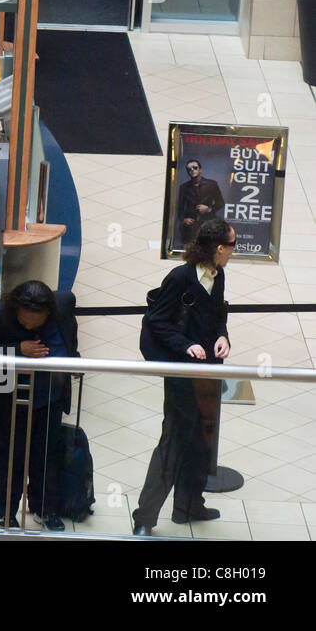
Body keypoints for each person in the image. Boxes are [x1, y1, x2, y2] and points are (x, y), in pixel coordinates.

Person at [133, 219, 234, 536]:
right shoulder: (179, 278)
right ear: (220, 248)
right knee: (173, 443)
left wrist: (222, 336)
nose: (234, 251)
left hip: (207, 371)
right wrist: (186, 344)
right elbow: (158, 321)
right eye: (232, 245)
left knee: (201, 442)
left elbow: (217, 315)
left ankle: (189, 506)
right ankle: (144, 518)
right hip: (182, 373)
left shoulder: (218, 275)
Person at [0, 280, 79, 531]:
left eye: (36, 322)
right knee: (11, 455)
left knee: (46, 454)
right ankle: (5, 511)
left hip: (49, 395)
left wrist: (73, 360)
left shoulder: (63, 304)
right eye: (24, 322)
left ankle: (45, 508)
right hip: (10, 396)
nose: (30, 326)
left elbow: (69, 337)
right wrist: (18, 349)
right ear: (15, 310)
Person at [175, 159, 224, 248]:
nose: (192, 170)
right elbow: (179, 206)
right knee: (191, 248)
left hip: (208, 221)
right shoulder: (184, 187)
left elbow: (220, 202)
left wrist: (208, 209)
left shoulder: (211, 184)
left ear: (200, 169)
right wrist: (183, 219)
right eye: (189, 169)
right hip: (191, 223)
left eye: (195, 167)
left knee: (208, 247)